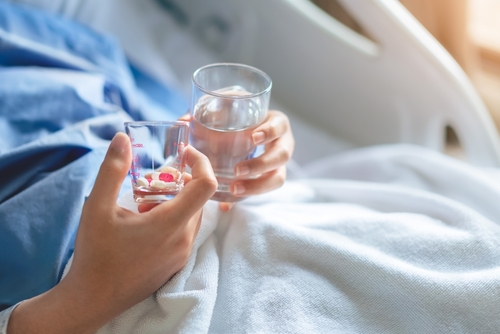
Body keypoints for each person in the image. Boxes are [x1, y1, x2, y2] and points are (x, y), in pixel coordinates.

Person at [0, 1, 295, 332]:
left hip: (219, 211)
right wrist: (87, 297)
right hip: (73, 282)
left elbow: (172, 131)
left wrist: (250, 145)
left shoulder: (45, 38)